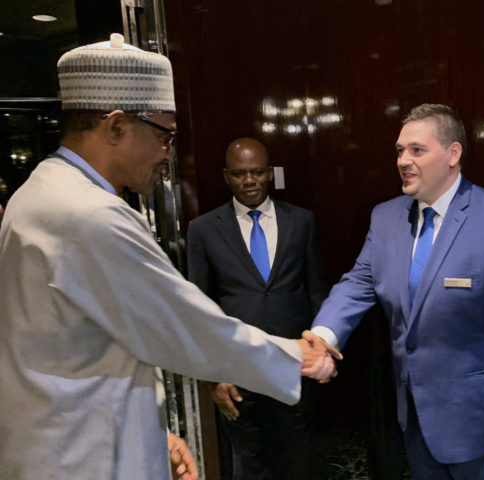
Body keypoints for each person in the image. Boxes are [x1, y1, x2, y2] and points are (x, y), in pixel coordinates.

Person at [0, 33, 337, 480]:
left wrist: (154, 431)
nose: (168, 154)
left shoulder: (43, 191)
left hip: (75, 435)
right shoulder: (87, 214)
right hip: (83, 455)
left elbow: (86, 346)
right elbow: (184, 324)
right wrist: (297, 355)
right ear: (117, 127)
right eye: (164, 135)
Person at [307, 103, 484, 480]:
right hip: (416, 420)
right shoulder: (386, 217)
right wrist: (323, 336)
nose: (404, 160)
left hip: (483, 428)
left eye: (417, 150)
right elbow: (358, 283)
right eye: (399, 151)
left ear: (453, 154)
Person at [187, 137, 327, 480]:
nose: (249, 181)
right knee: (249, 466)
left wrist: (320, 353)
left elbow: (317, 293)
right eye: (239, 174)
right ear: (226, 177)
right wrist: (213, 377)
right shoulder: (203, 230)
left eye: (257, 172)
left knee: (299, 464)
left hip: (294, 370)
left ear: (269, 172)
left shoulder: (302, 221)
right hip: (238, 375)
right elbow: (199, 311)